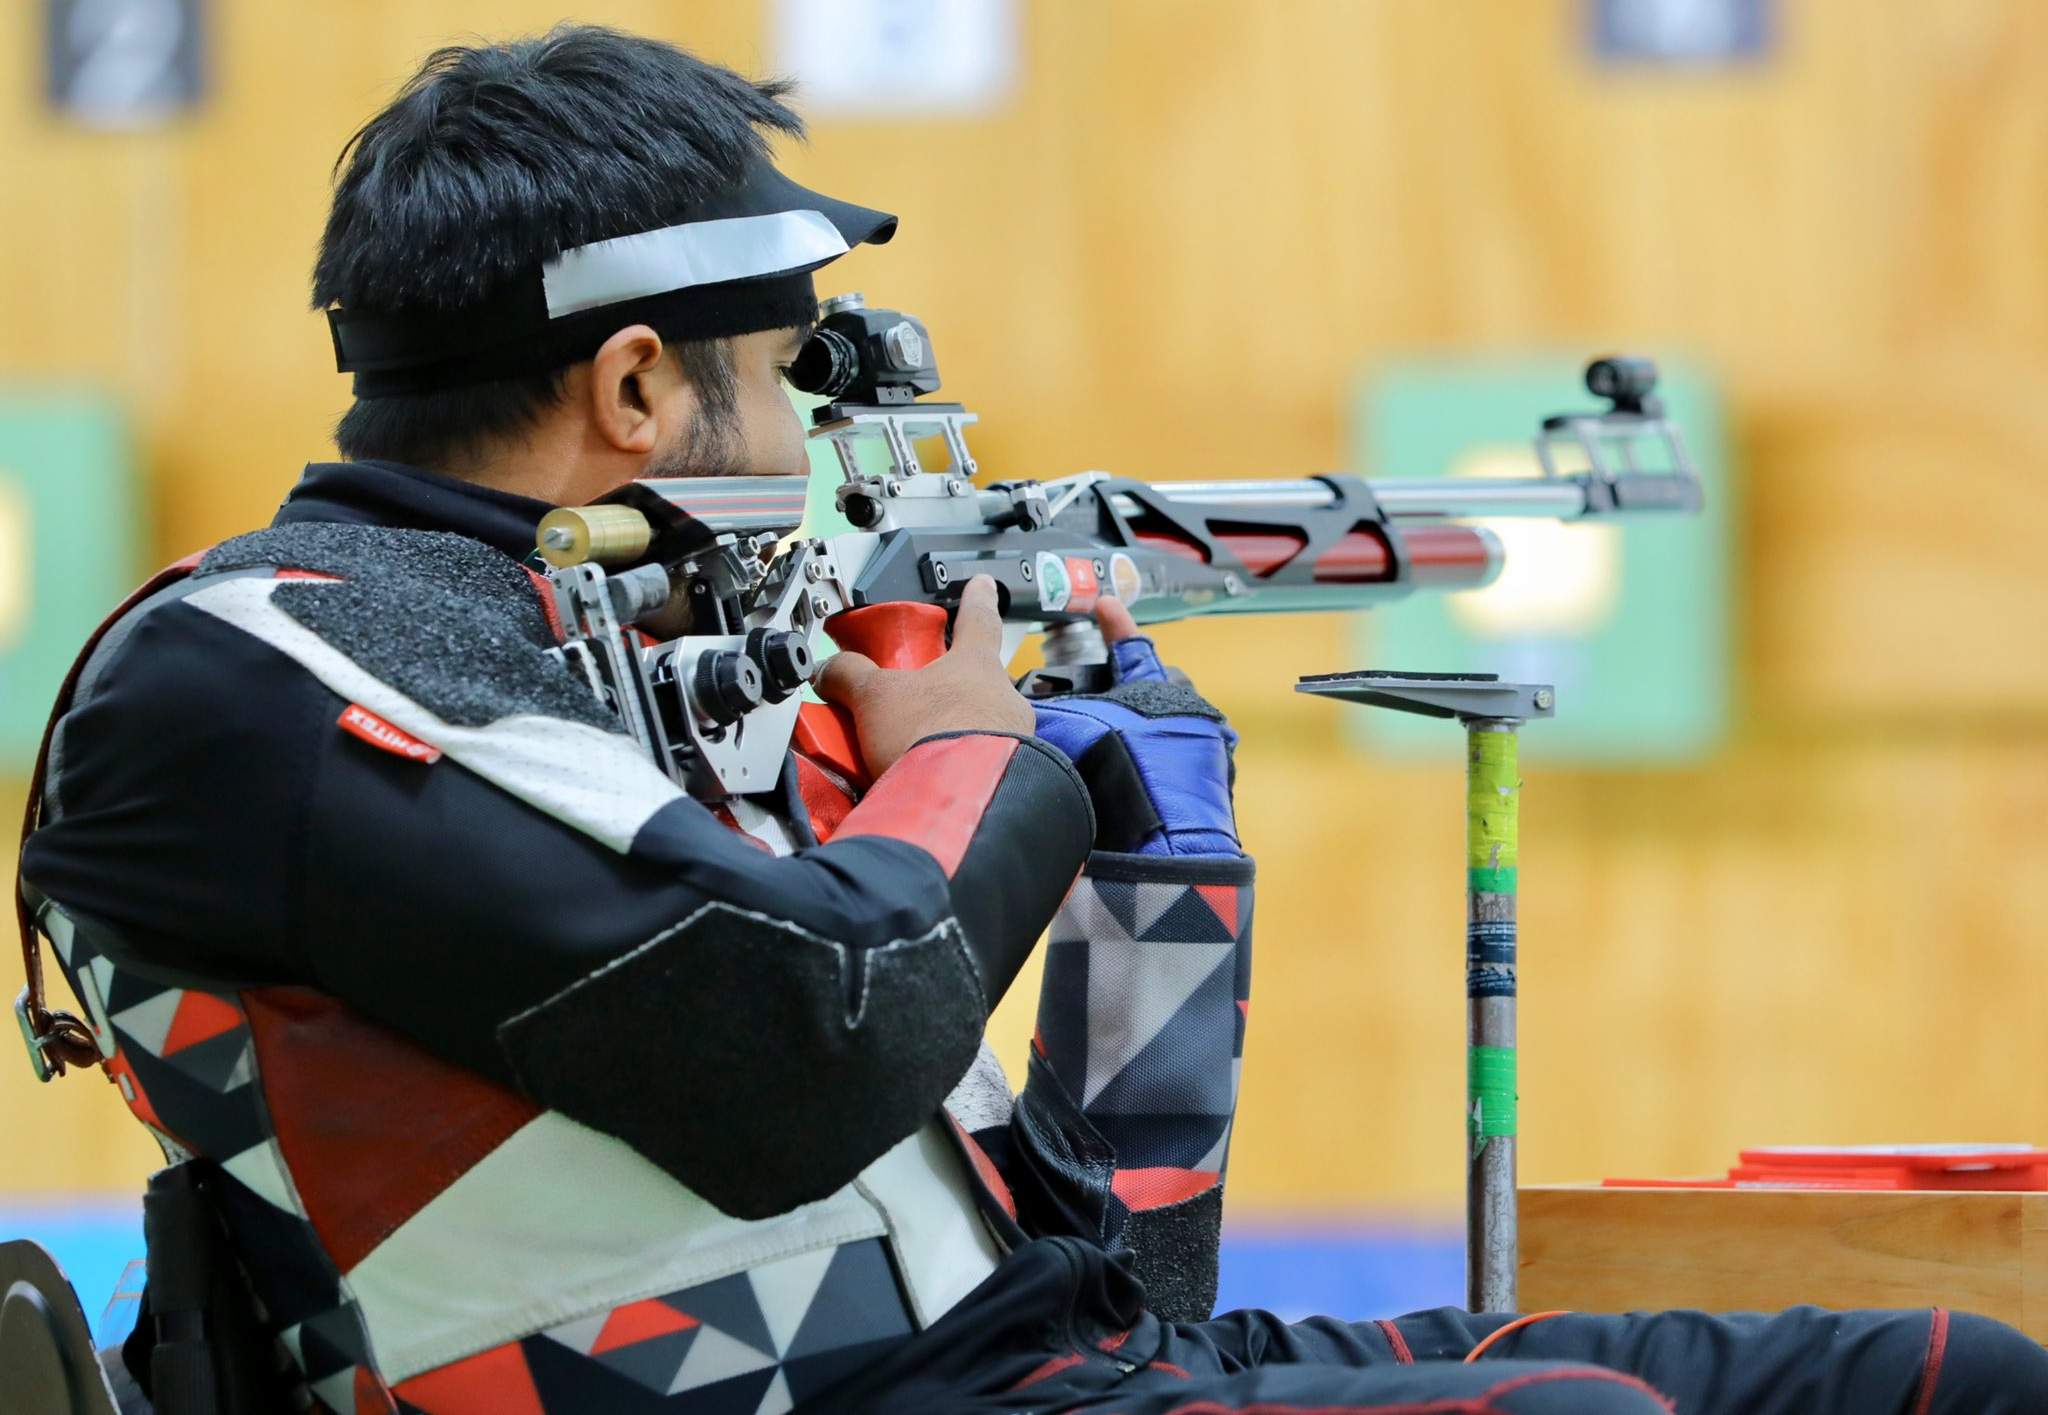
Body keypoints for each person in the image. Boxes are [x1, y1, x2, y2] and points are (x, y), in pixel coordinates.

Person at [16, 25, 2046, 1415]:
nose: (804, 441)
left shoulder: (572, 639)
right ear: (635, 394)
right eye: (778, 379)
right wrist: (978, 755)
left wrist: (1141, 810)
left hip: (1021, 1344)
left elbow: (1116, 1263)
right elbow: (817, 1050)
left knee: (1937, 1375)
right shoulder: (271, 672)